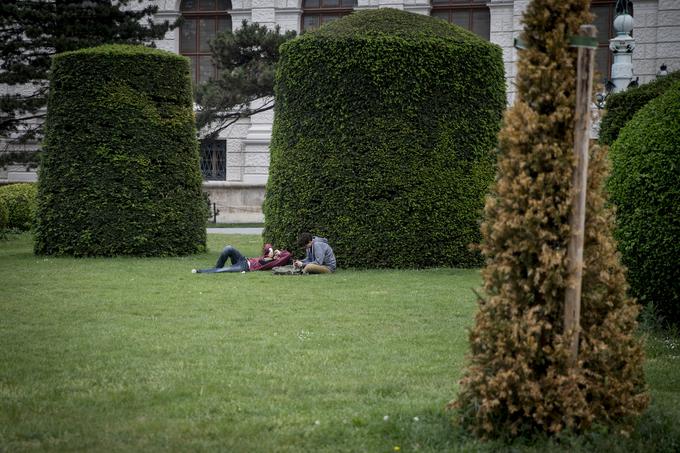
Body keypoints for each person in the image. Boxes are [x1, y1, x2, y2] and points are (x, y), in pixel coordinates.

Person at [193, 243, 291, 273]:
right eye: (277, 252)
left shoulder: (275, 262)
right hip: (243, 259)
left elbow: (288, 255)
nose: (277, 253)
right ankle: (216, 267)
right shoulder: (269, 255)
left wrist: (279, 254)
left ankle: (200, 271)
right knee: (228, 248)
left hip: (246, 267)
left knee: (224, 270)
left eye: (279, 254)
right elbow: (267, 245)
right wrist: (270, 250)